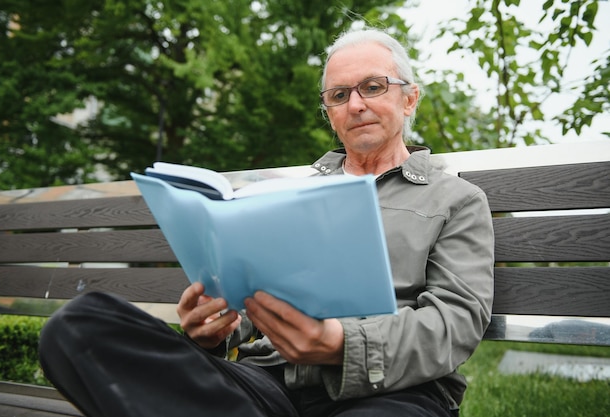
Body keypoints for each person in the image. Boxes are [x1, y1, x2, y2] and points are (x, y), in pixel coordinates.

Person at [39, 27, 494, 417]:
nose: (355, 105)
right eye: (339, 95)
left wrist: (339, 343)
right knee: (76, 327)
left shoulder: (456, 200)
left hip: (391, 392)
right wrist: (214, 326)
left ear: (409, 98)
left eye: (372, 87)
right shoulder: (283, 196)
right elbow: (252, 290)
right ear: (330, 113)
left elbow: (455, 323)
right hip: (266, 384)